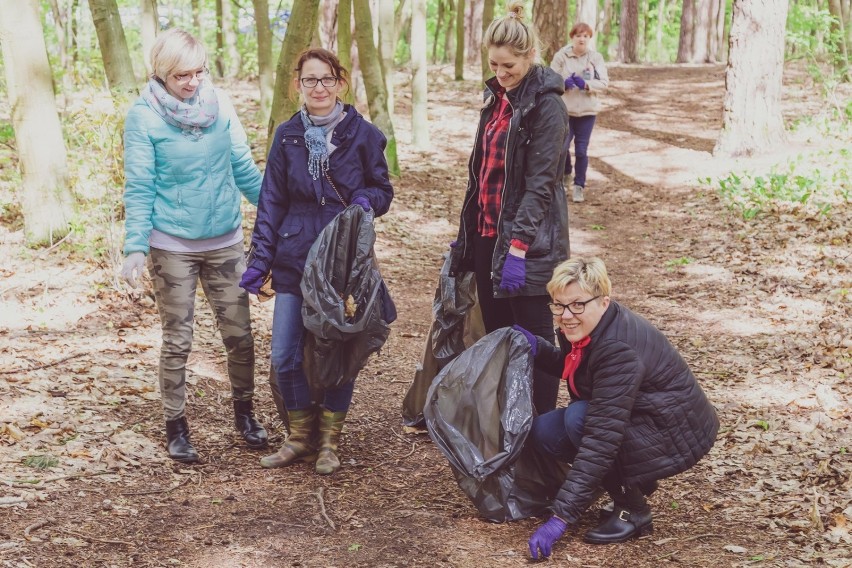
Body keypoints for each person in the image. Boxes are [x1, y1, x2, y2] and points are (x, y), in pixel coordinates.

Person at [240, 48, 394, 475]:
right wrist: (259, 260)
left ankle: (330, 441)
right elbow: (271, 201)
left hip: (342, 263)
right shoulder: (287, 135)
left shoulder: (362, 135)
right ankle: (299, 437)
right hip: (293, 258)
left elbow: (383, 191)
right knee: (285, 355)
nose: (319, 88)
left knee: (337, 352)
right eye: (310, 81)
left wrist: (366, 199)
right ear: (298, 86)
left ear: (340, 82)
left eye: (326, 79)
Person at [120, 29, 268, 463]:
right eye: (183, 74)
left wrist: (279, 217)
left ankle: (245, 414)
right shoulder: (143, 117)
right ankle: (176, 426)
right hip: (172, 245)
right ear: (162, 73)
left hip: (225, 240)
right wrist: (135, 246)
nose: (192, 82)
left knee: (239, 337)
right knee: (178, 339)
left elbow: (241, 164)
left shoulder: (219, 104)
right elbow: (140, 186)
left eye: (199, 72)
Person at [514, 257, 719, 559]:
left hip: (674, 431)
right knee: (547, 430)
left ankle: (633, 512)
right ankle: (635, 479)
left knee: (579, 421)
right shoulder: (587, 326)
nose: (566, 315)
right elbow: (581, 369)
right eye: (558, 305)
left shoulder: (617, 348)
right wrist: (537, 348)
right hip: (645, 415)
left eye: (577, 305)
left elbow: (601, 438)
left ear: (604, 301)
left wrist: (560, 519)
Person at [448, 1, 569, 415]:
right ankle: (509, 428)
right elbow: (481, 172)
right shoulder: (496, 99)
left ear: (530, 55)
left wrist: (518, 246)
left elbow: (541, 183)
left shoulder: (547, 104)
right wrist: (466, 234)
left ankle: (543, 434)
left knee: (534, 339)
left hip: (527, 246)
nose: (501, 74)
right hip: (487, 236)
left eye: (509, 67)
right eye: (495, 66)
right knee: (500, 336)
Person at [550, 23, 609, 203]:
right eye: (578, 35)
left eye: (585, 36)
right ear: (572, 38)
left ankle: (579, 186)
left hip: (587, 113)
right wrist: (562, 84)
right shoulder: (562, 56)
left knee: (582, 151)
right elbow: (550, 80)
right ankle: (566, 172)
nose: (582, 39)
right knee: (562, 148)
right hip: (565, 112)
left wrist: (586, 85)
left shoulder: (595, 58)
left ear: (589, 39)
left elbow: (604, 83)